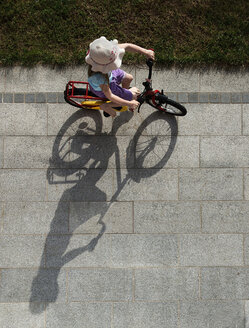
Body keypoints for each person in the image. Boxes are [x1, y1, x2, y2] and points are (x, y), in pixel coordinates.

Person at [85, 36, 155, 117]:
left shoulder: (105, 52)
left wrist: (145, 51)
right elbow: (110, 96)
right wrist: (129, 103)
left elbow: (127, 46)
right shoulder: (100, 79)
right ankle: (107, 106)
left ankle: (124, 94)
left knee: (129, 78)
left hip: (110, 74)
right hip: (107, 86)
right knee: (133, 95)